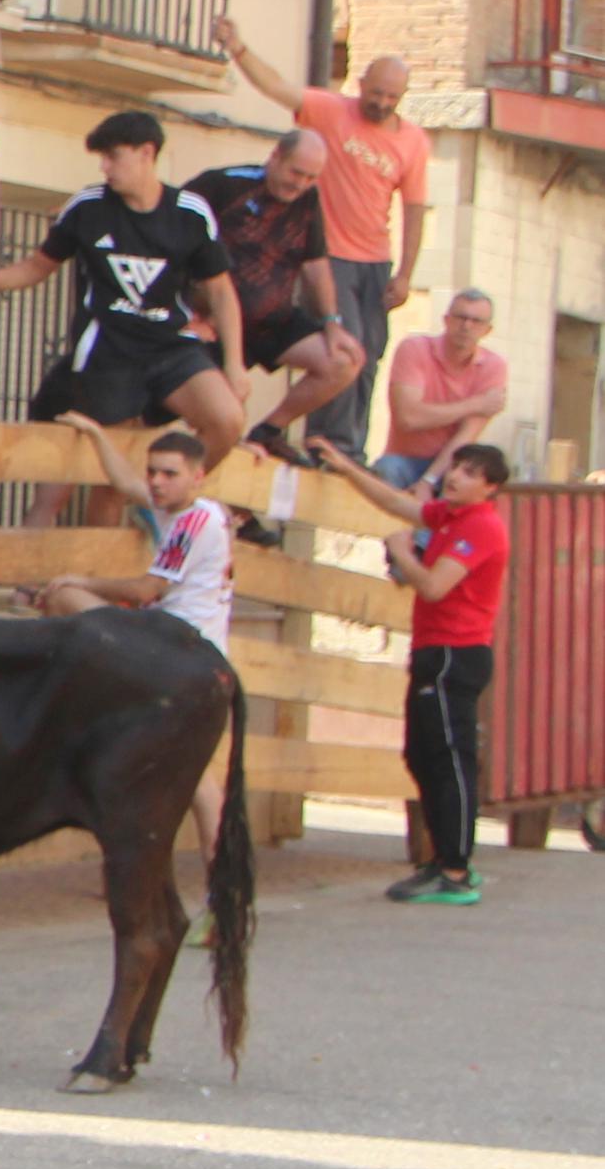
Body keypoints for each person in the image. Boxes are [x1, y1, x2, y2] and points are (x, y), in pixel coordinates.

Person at [0, 110, 247, 467]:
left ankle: (171, 497)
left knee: (227, 421)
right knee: (113, 471)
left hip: (171, 346)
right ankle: (144, 493)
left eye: (113, 156)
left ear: (146, 153)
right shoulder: (88, 207)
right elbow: (38, 265)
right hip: (108, 351)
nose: (104, 167)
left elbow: (222, 293)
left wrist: (235, 366)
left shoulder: (190, 212)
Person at [211, 14, 429, 455]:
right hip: (327, 255)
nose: (382, 103)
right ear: (360, 82)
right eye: (376, 92)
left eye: (392, 97)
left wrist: (406, 273)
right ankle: (323, 444)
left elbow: (414, 208)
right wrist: (238, 49)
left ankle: (348, 449)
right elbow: (276, 87)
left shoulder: (414, 141)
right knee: (339, 344)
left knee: (367, 356)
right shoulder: (329, 109)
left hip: (375, 259)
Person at [310, 436, 514, 904]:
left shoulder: (480, 526)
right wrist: (346, 467)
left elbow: (435, 586)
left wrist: (402, 552)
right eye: (455, 466)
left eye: (469, 472)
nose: (455, 476)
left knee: (449, 758)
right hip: (432, 651)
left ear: (491, 487)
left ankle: (457, 870)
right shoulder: (451, 516)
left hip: (454, 654)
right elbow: (397, 502)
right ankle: (441, 859)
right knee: (421, 756)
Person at [30, 416, 235, 875]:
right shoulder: (196, 509)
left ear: (197, 476)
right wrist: (97, 434)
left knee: (63, 597)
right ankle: (219, 884)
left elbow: (146, 590)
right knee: (197, 775)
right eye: (154, 472)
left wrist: (81, 580)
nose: (157, 483)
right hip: (195, 649)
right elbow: (124, 481)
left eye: (170, 474)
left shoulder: (193, 521)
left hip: (174, 649)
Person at [184, 130, 367, 467]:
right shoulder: (222, 185)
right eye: (296, 172)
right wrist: (185, 312)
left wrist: (331, 323)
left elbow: (315, 265)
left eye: (311, 177)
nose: (300, 184)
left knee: (343, 360)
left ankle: (270, 429)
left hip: (273, 321)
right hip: (217, 323)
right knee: (223, 421)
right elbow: (168, 237)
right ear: (276, 157)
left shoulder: (309, 200)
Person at [375, 289, 508, 490]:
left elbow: (466, 436)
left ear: (487, 330)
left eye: (476, 321)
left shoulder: (493, 366)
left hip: (454, 466)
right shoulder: (414, 349)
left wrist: (428, 481)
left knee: (476, 484)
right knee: (386, 469)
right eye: (461, 317)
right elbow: (408, 418)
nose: (466, 326)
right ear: (446, 320)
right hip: (403, 460)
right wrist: (476, 404)